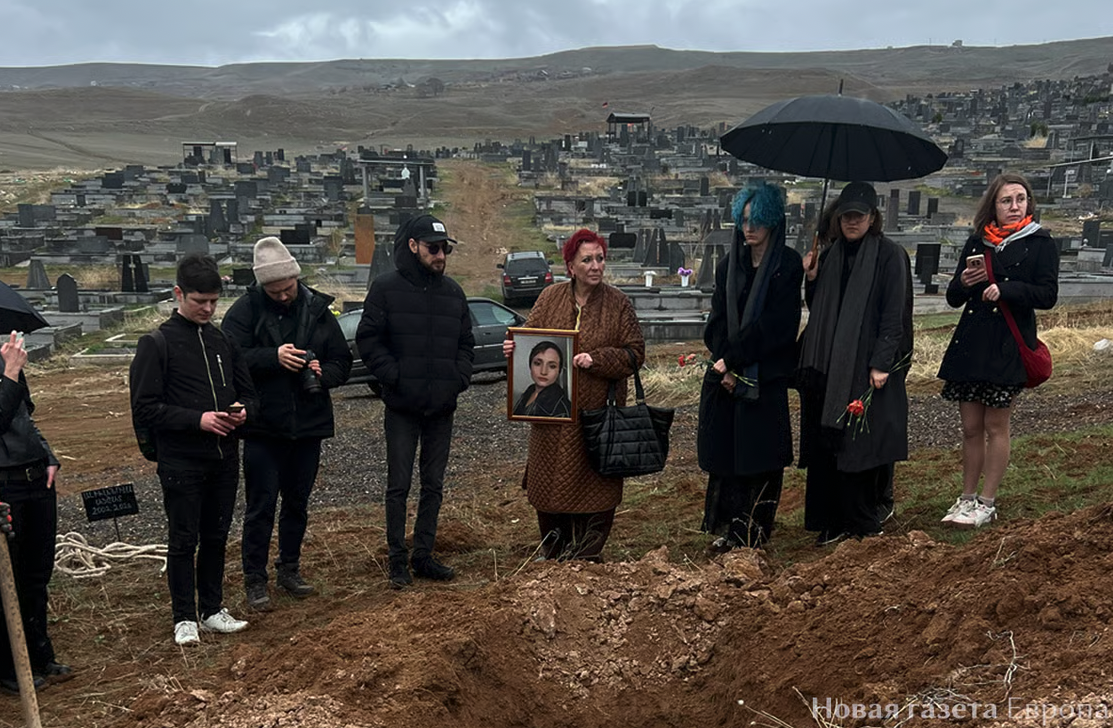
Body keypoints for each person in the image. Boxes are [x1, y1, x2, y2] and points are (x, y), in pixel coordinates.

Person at [130, 254, 257, 645]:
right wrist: (197, 420)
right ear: (178, 294)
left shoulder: (223, 341)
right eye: (199, 301)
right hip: (181, 460)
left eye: (214, 302)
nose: (207, 309)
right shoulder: (157, 343)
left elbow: (249, 393)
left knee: (217, 535)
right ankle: (183, 615)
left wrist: (242, 413)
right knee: (184, 538)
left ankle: (212, 608)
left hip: (223, 457)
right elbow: (145, 407)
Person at [222, 237, 352, 610]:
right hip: (263, 427)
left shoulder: (318, 309)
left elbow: (342, 361)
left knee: (297, 502)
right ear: (263, 286)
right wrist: (272, 357)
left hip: (308, 425)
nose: (283, 296)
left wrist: (321, 373)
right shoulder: (244, 311)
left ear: (297, 279)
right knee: (261, 506)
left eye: (288, 288)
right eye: (275, 291)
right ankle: (254, 578)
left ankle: (289, 568)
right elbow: (229, 359)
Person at [502, 229, 645, 562]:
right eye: (587, 260)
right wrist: (513, 347)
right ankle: (553, 551)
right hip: (551, 419)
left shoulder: (617, 303)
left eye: (600, 258)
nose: (596, 266)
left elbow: (635, 353)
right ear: (570, 266)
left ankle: (587, 554)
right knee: (549, 485)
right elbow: (530, 337)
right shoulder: (550, 297)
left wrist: (597, 360)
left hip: (596, 417)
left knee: (595, 486)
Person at [356, 214, 475, 589]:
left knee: (433, 484)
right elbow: (369, 340)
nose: (441, 255)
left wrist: (457, 380)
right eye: (433, 248)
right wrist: (395, 377)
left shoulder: (453, 292)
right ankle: (397, 560)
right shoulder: (385, 288)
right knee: (399, 484)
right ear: (413, 246)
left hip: (441, 406)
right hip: (403, 408)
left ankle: (423, 555)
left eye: (445, 249)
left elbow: (465, 344)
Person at [937, 172, 1059, 528]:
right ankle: (966, 498)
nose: (1014, 206)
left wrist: (1007, 290)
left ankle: (987, 502)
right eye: (1006, 200)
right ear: (993, 204)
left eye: (1020, 199)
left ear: (1029, 204)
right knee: (970, 427)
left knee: (995, 426)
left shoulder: (1039, 243)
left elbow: (1047, 295)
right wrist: (963, 281)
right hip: (971, 344)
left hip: (1008, 345)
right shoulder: (978, 242)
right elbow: (953, 298)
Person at [797, 182, 913, 545]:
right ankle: (831, 519)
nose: (852, 221)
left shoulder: (889, 256)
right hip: (829, 367)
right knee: (829, 445)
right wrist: (811, 279)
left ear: (872, 218)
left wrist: (881, 363)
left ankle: (861, 519)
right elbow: (819, 310)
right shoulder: (830, 255)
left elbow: (895, 314)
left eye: (859, 216)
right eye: (845, 215)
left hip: (865, 366)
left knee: (860, 447)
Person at [697, 184, 802, 551]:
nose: (749, 228)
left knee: (761, 457)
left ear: (772, 222)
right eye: (744, 220)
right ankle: (732, 530)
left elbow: (777, 328)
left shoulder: (786, 266)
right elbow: (716, 322)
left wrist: (733, 359)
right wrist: (723, 364)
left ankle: (756, 533)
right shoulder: (730, 265)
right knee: (730, 457)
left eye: (757, 221)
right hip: (727, 377)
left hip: (766, 378)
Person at [0, 331, 70, 692]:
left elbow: (23, 417)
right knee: (6, 579)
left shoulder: (4, 359)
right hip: (4, 484)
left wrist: (48, 454)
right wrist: (10, 373)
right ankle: (9, 666)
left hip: (34, 479)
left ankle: (40, 652)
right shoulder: (9, 367)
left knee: (35, 573)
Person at [512, 340, 572, 418]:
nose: (543, 372)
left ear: (559, 371)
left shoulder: (563, 410)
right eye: (538, 364)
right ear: (530, 366)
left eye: (552, 366)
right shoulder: (530, 390)